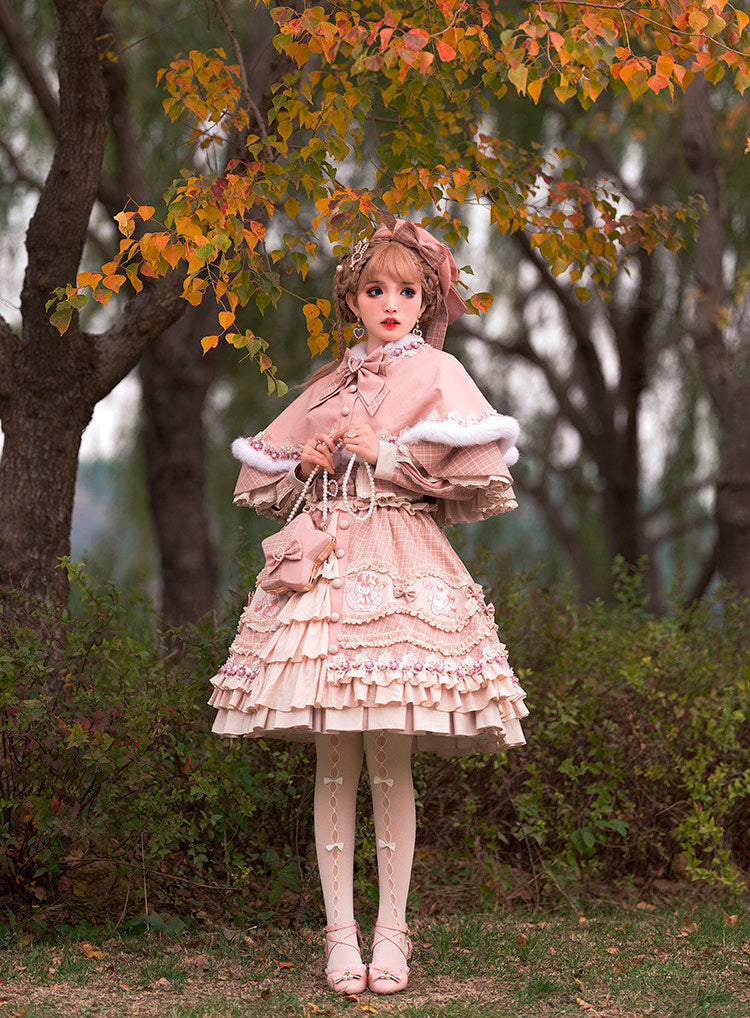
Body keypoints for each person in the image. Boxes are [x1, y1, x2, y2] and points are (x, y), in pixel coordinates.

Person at [209, 217, 528, 995]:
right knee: (334, 763)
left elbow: (467, 479)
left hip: (398, 566)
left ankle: (392, 932)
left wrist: (384, 454)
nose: (391, 303)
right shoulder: (329, 383)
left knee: (389, 760)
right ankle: (338, 936)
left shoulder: (439, 374)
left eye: (407, 292)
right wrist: (308, 466)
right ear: (351, 298)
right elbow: (268, 486)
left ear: (426, 301)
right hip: (324, 569)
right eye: (376, 290)